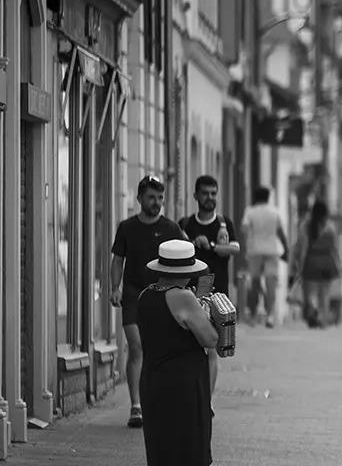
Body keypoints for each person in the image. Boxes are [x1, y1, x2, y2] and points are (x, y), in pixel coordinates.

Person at [137, 239, 222, 466]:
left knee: (181, 462)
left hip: (156, 383)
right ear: (187, 271)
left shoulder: (148, 295)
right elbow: (211, 338)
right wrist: (209, 311)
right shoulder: (184, 297)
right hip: (181, 389)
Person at [110, 174, 187, 429]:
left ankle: (159, 401)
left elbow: (185, 260)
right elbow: (118, 259)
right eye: (152, 197)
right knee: (137, 347)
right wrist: (114, 288)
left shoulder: (171, 229)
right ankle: (136, 406)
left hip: (163, 296)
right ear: (139, 198)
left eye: (160, 198)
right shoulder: (127, 227)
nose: (157, 202)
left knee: (160, 351)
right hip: (133, 295)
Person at [179, 175, 240, 398]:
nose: (210, 198)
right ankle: (191, 394)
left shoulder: (224, 223)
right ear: (196, 196)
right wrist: (191, 244)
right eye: (205, 193)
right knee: (189, 348)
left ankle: (207, 400)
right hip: (190, 295)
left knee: (212, 348)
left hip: (217, 297)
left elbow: (234, 249)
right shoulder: (186, 224)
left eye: (213, 193)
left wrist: (212, 245)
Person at [240, 186, 289, 329]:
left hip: (255, 250)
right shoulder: (275, 212)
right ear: (268, 197)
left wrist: (245, 248)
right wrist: (286, 249)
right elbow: (280, 232)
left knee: (254, 282)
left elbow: (244, 230)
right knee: (271, 282)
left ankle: (253, 315)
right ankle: (270, 316)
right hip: (272, 250)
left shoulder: (250, 212)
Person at [294, 200, 342, 328]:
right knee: (325, 294)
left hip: (311, 262)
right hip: (327, 263)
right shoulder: (330, 227)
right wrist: (340, 266)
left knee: (309, 293)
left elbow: (304, 249)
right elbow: (334, 249)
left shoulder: (305, 226)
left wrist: (300, 267)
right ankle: (323, 320)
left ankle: (312, 315)